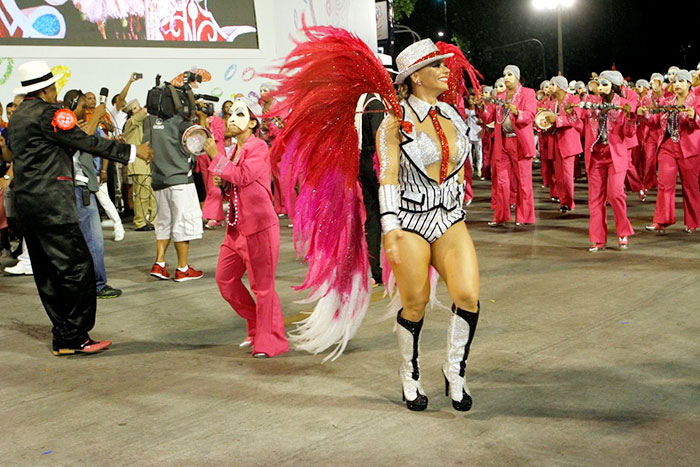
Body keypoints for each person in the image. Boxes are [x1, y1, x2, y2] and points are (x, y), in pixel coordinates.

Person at [8, 61, 153, 355]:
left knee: (48, 274)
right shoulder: (50, 113)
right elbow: (85, 141)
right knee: (78, 269)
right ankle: (75, 337)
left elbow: (56, 146)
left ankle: (63, 335)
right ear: (48, 88)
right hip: (53, 205)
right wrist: (134, 152)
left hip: (27, 205)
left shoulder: (19, 115)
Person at [375, 39, 480, 411]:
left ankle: (454, 370)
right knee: (415, 303)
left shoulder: (452, 114)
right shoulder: (393, 123)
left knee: (467, 295)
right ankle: (410, 374)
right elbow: (387, 177)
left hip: (449, 218)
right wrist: (390, 229)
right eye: (437, 65)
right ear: (416, 77)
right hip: (409, 222)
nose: (445, 70)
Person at [203, 97, 289, 358]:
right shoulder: (231, 151)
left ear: (253, 122)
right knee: (225, 279)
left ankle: (270, 340)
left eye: (239, 115)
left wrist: (215, 157)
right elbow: (235, 184)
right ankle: (256, 326)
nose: (231, 118)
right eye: (230, 114)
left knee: (263, 288)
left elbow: (243, 176)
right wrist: (223, 182)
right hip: (236, 229)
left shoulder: (259, 147)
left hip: (259, 227)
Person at [63, 89, 122, 299]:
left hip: (77, 190)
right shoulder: (68, 127)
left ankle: (86, 285)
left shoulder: (75, 127)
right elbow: (82, 140)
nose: (86, 109)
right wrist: (97, 115)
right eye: (82, 105)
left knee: (82, 243)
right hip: (80, 190)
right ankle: (97, 285)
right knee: (93, 242)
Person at [144, 98, 204, 282]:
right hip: (180, 180)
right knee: (182, 224)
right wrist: (201, 122)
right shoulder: (182, 124)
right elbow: (199, 145)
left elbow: (145, 145)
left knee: (163, 223)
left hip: (159, 179)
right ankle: (183, 268)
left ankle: (160, 264)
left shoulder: (150, 120)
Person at [581, 70, 636, 251]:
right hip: (596, 155)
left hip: (615, 156)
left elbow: (628, 134)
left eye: (606, 85)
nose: (601, 89)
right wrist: (571, 112)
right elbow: (579, 124)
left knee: (615, 194)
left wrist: (630, 117)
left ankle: (623, 231)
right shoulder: (592, 104)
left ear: (614, 87)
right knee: (595, 199)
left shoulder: (623, 105)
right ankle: (598, 239)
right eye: (600, 85)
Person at [641, 69, 700, 234]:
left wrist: (693, 115)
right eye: (675, 82)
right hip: (667, 147)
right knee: (664, 185)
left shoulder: (697, 101)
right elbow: (654, 122)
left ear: (689, 83)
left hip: (689, 150)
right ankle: (661, 221)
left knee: (690, 187)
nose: (678, 85)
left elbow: (697, 124)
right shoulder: (667, 102)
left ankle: (693, 221)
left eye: (682, 81)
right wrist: (644, 115)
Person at [479, 65, 537, 226]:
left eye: (510, 74)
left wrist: (517, 112)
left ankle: (524, 217)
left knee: (523, 182)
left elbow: (531, 115)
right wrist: (481, 106)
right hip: (502, 142)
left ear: (517, 76)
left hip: (519, 142)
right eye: (504, 74)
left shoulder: (528, 93)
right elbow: (488, 116)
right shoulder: (500, 96)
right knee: (502, 182)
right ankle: (501, 216)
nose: (506, 77)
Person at [547, 76, 583, 213]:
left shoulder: (574, 99)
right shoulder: (553, 103)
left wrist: (556, 120)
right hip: (555, 140)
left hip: (568, 141)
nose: (550, 87)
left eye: (552, 84)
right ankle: (563, 202)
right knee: (559, 175)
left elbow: (575, 118)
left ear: (560, 86)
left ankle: (569, 201)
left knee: (568, 176)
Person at [123, 99, 156, 231]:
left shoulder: (142, 125)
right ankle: (140, 222)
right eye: (137, 108)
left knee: (152, 194)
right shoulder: (130, 123)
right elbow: (141, 115)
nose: (140, 109)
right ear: (132, 112)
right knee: (142, 194)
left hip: (146, 163)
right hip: (138, 164)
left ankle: (154, 220)